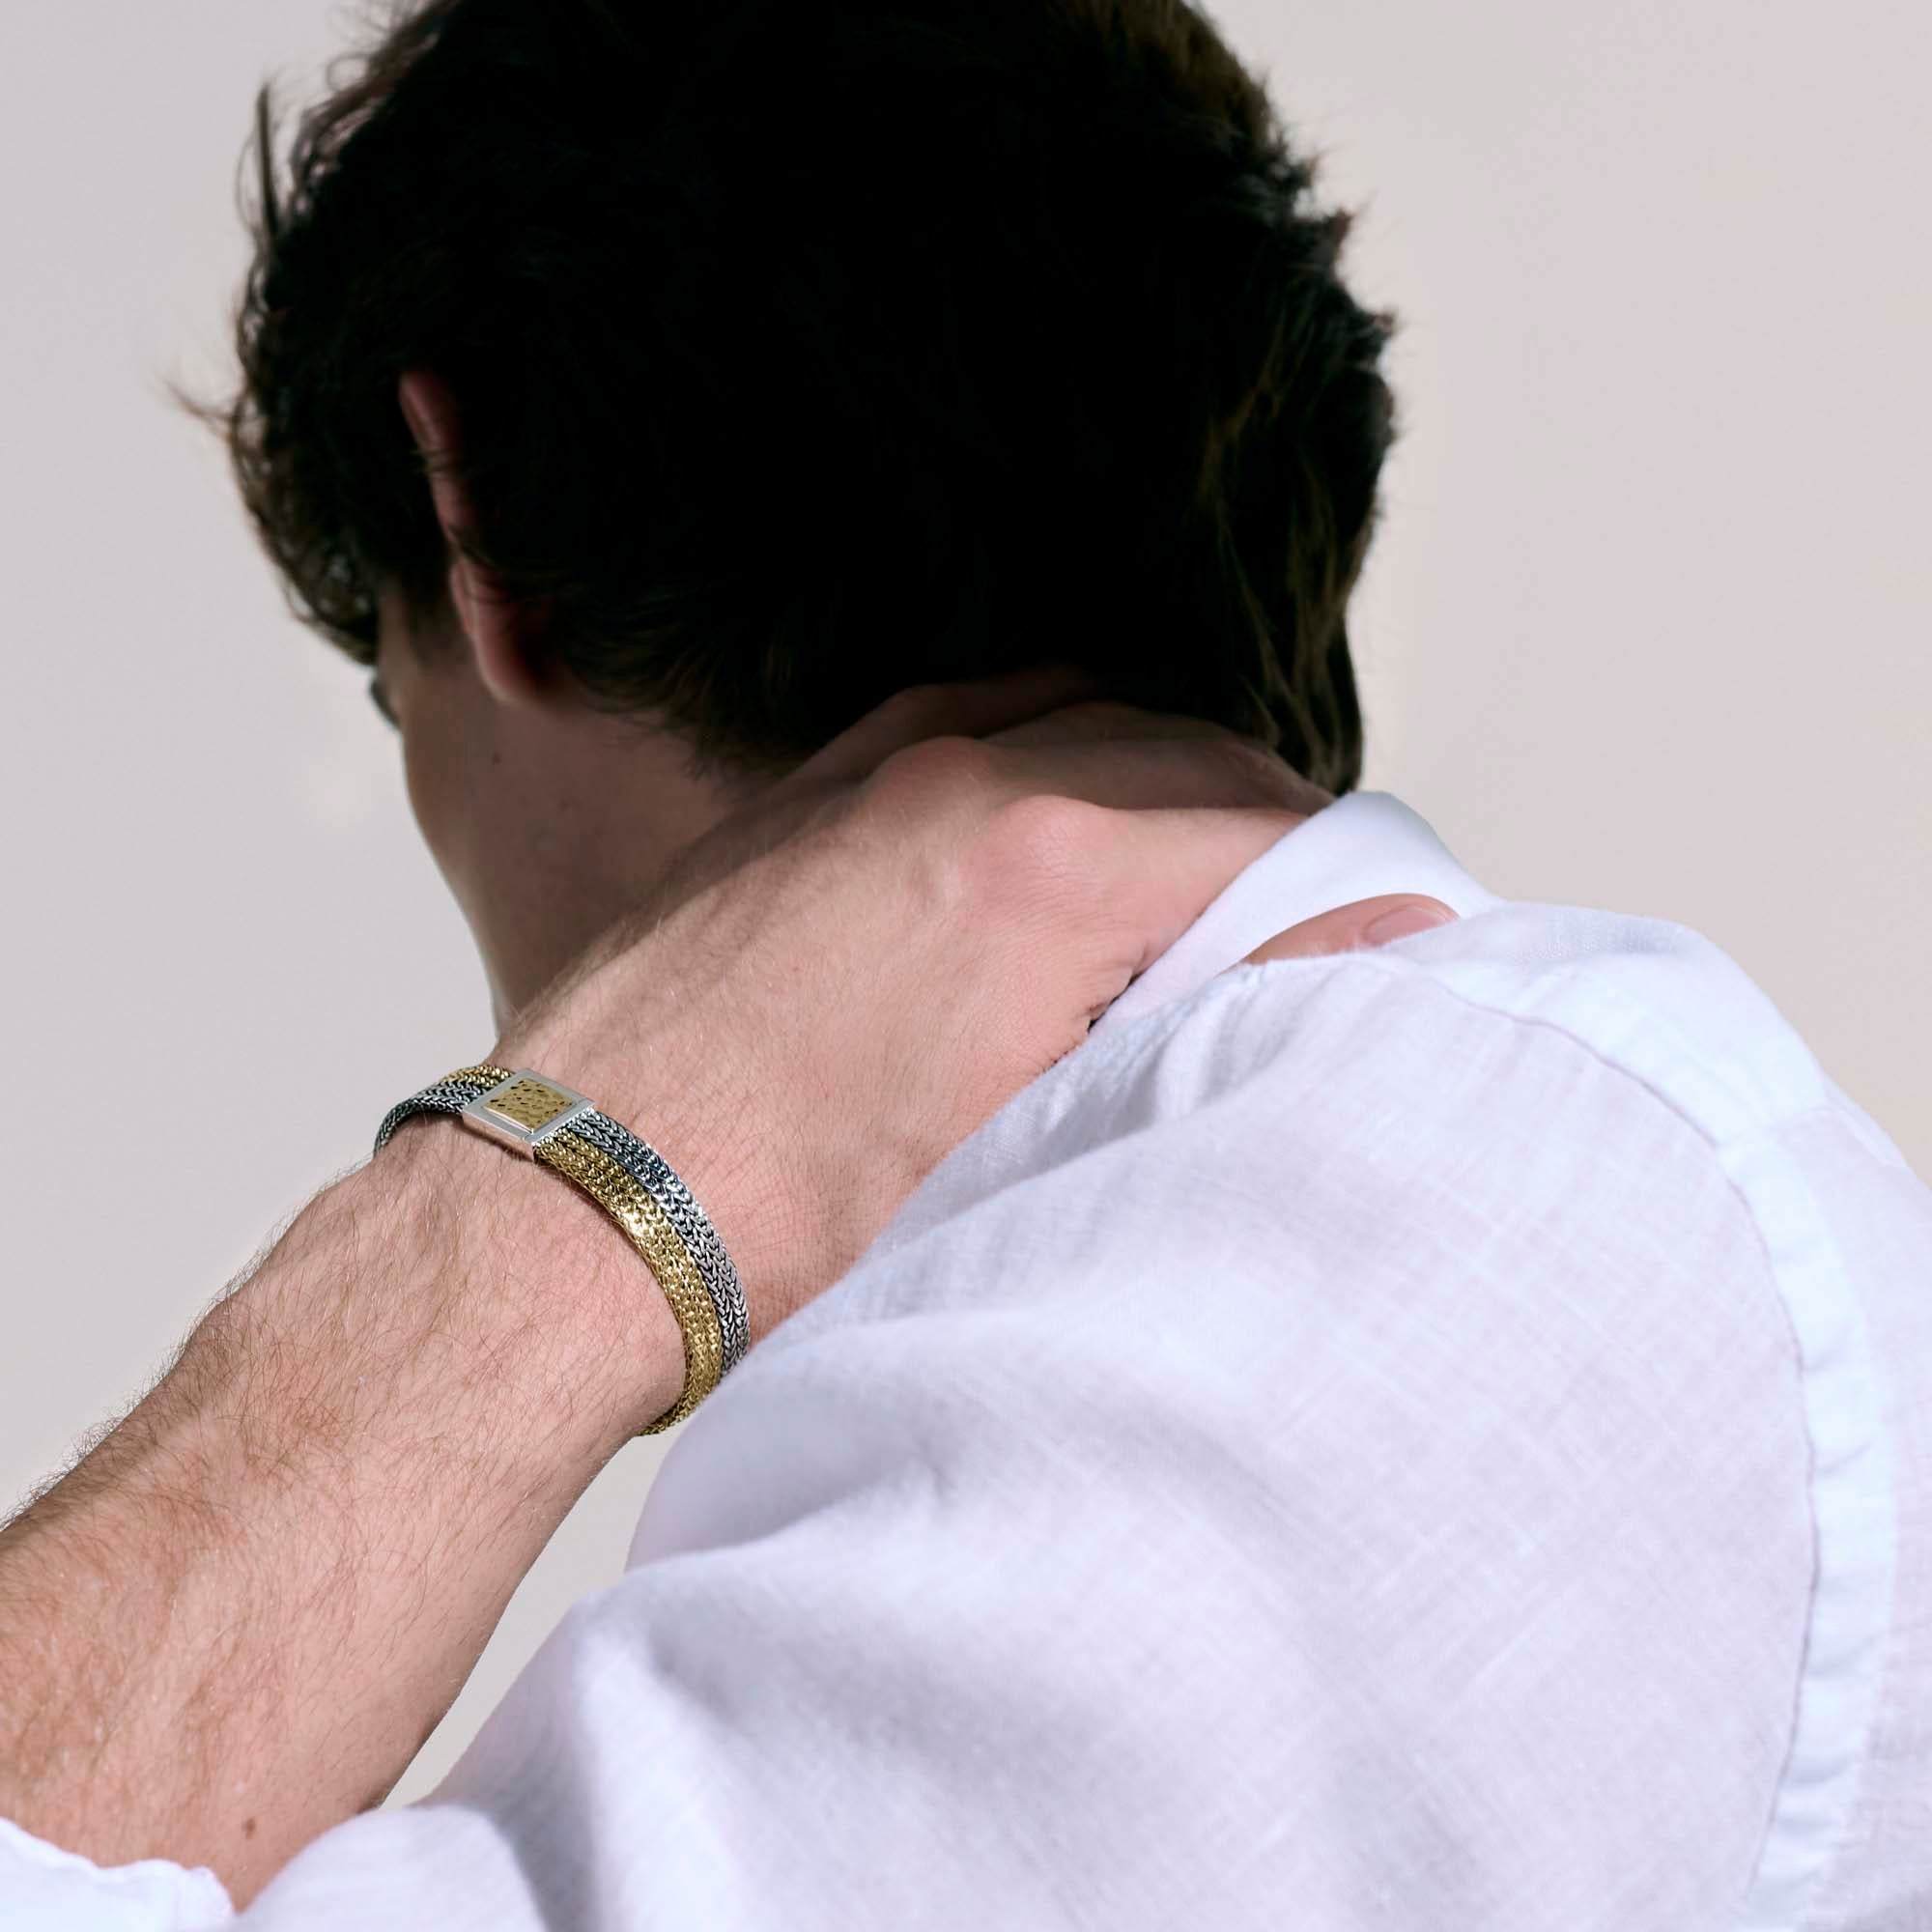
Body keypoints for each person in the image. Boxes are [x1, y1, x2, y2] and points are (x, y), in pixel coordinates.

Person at [1, 4, 1926, 1929]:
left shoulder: (1447, 1192)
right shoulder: (1433, 1201)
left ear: (476, 521)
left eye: (389, 689)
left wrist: (571, 1172)